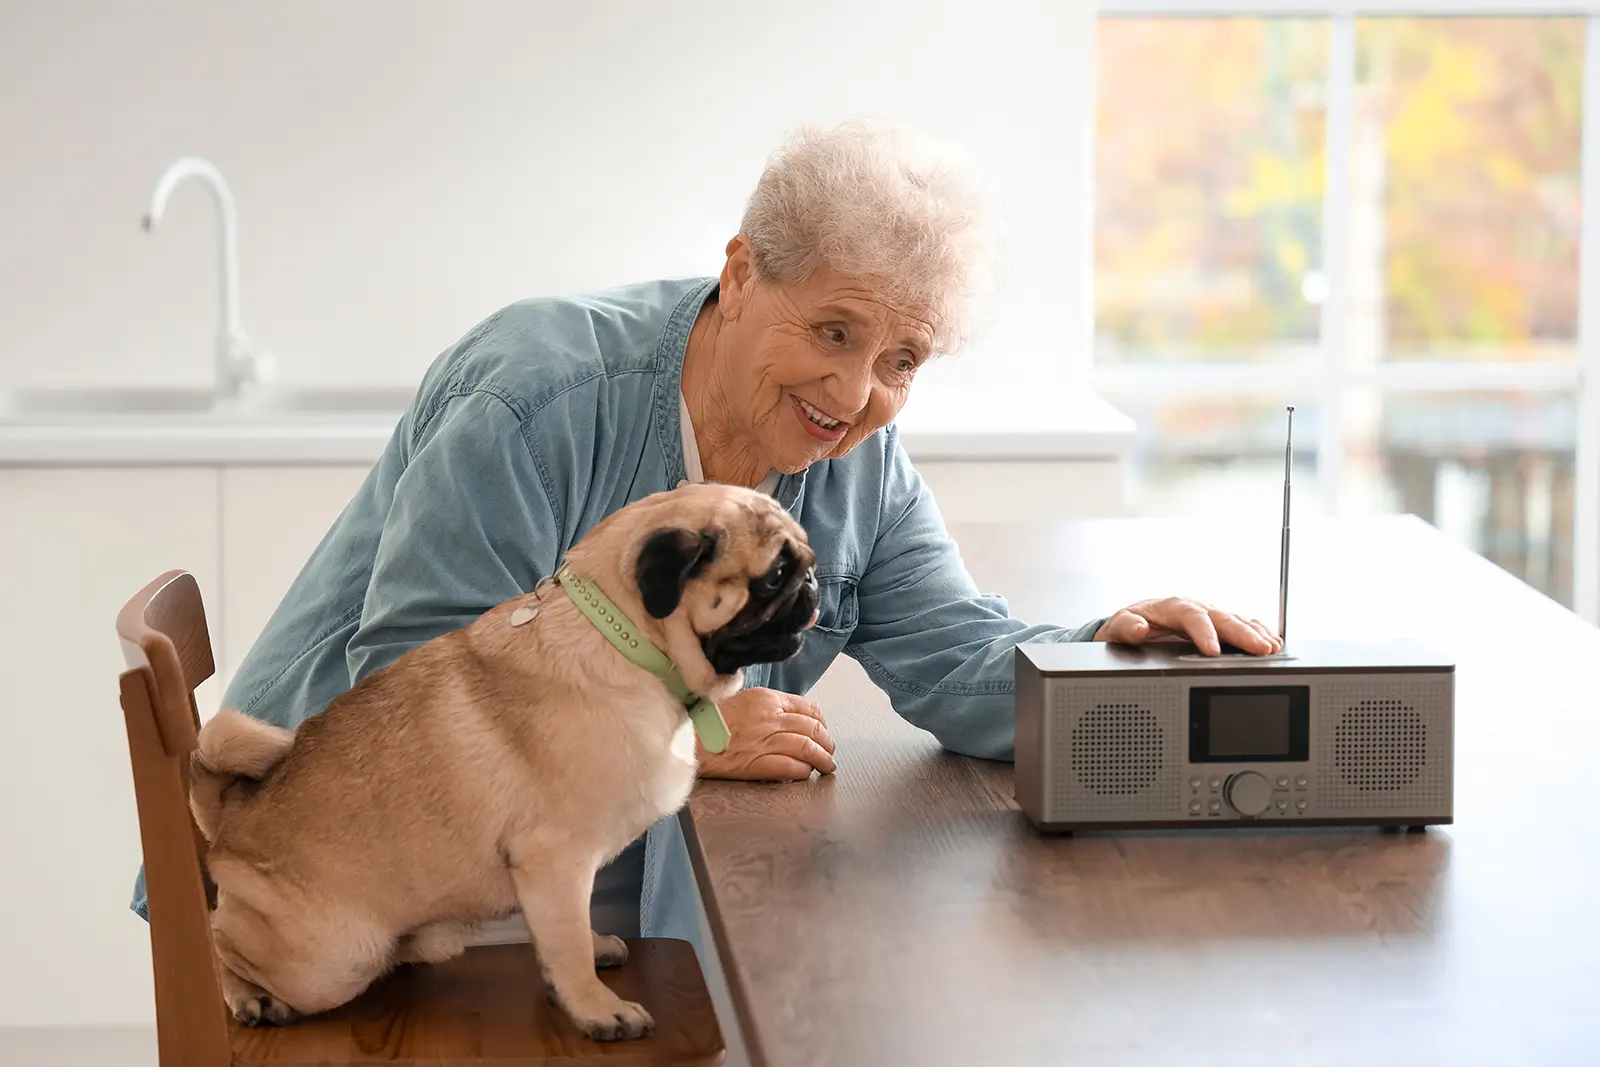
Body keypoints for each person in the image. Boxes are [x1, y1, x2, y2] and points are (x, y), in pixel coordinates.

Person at [130, 119, 1280, 951]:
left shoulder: (860, 462)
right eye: (832, 329)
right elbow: (407, 685)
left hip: (569, 885)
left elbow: (957, 657)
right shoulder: (535, 398)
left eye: (902, 361)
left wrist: (1100, 649)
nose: (855, 389)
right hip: (340, 889)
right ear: (739, 273)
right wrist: (680, 729)